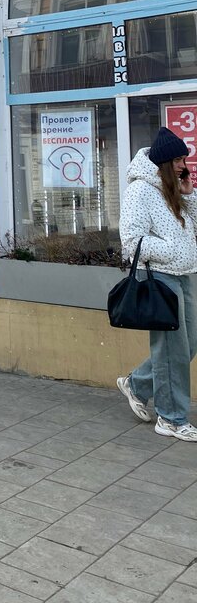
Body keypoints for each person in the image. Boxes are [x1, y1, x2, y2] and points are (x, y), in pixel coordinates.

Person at [118, 126, 197, 442]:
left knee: (189, 342)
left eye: (183, 160)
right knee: (171, 349)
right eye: (177, 160)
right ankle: (171, 418)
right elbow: (131, 241)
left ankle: (137, 384)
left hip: (184, 273)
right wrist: (174, 249)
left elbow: (193, 227)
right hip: (160, 277)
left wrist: (189, 195)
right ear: (164, 161)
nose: (182, 165)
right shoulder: (140, 190)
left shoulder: (171, 188)